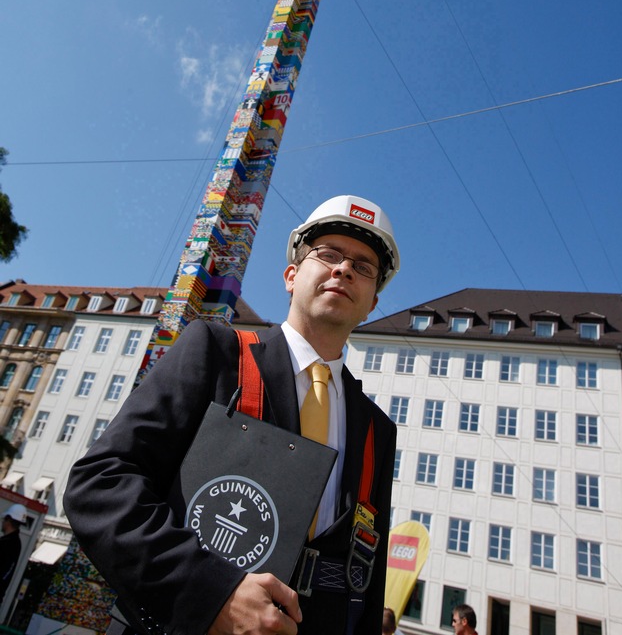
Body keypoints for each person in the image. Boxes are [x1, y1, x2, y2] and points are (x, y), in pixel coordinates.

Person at [64, 195, 400, 635]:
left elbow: (367, 572)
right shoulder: (217, 353)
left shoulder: (377, 429)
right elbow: (100, 484)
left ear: (372, 301)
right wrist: (210, 592)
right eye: (329, 255)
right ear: (291, 275)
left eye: (363, 266)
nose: (344, 270)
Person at [0, 503, 26, 601]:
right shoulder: (13, 543)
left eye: (4, 520)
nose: (2, 523)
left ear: (8, 520)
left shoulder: (9, 544)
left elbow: (6, 571)